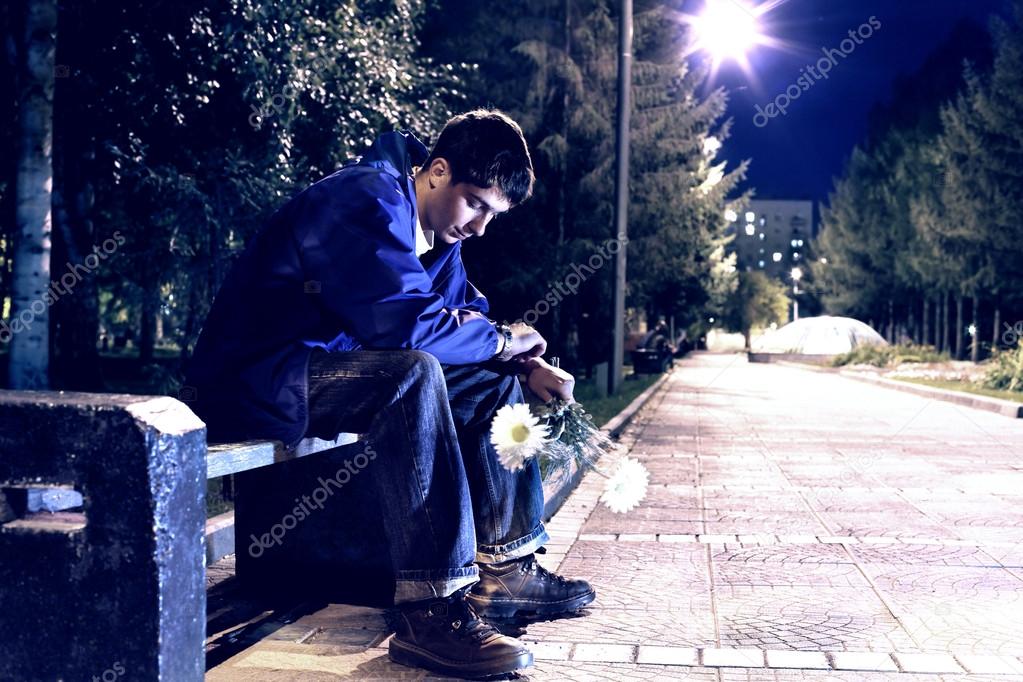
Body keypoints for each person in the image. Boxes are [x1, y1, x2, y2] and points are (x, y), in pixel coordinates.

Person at [185, 109, 594, 678]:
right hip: (258, 377)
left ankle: (508, 566)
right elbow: (401, 325)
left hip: (329, 373)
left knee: (490, 380)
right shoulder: (363, 199)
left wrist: (525, 366)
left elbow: (465, 320)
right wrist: (503, 340)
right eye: (476, 204)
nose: (479, 228)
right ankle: (433, 609)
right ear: (438, 170)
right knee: (413, 372)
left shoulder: (437, 238)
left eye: (492, 215)